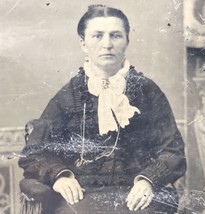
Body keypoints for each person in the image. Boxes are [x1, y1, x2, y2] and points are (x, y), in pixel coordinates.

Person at [19, 5, 186, 214]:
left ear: (127, 41)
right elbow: (34, 152)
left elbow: (173, 150)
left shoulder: (147, 91)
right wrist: (60, 176)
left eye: (115, 36)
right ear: (83, 43)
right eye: (97, 36)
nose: (107, 44)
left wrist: (148, 181)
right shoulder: (69, 94)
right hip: (82, 194)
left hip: (137, 193)